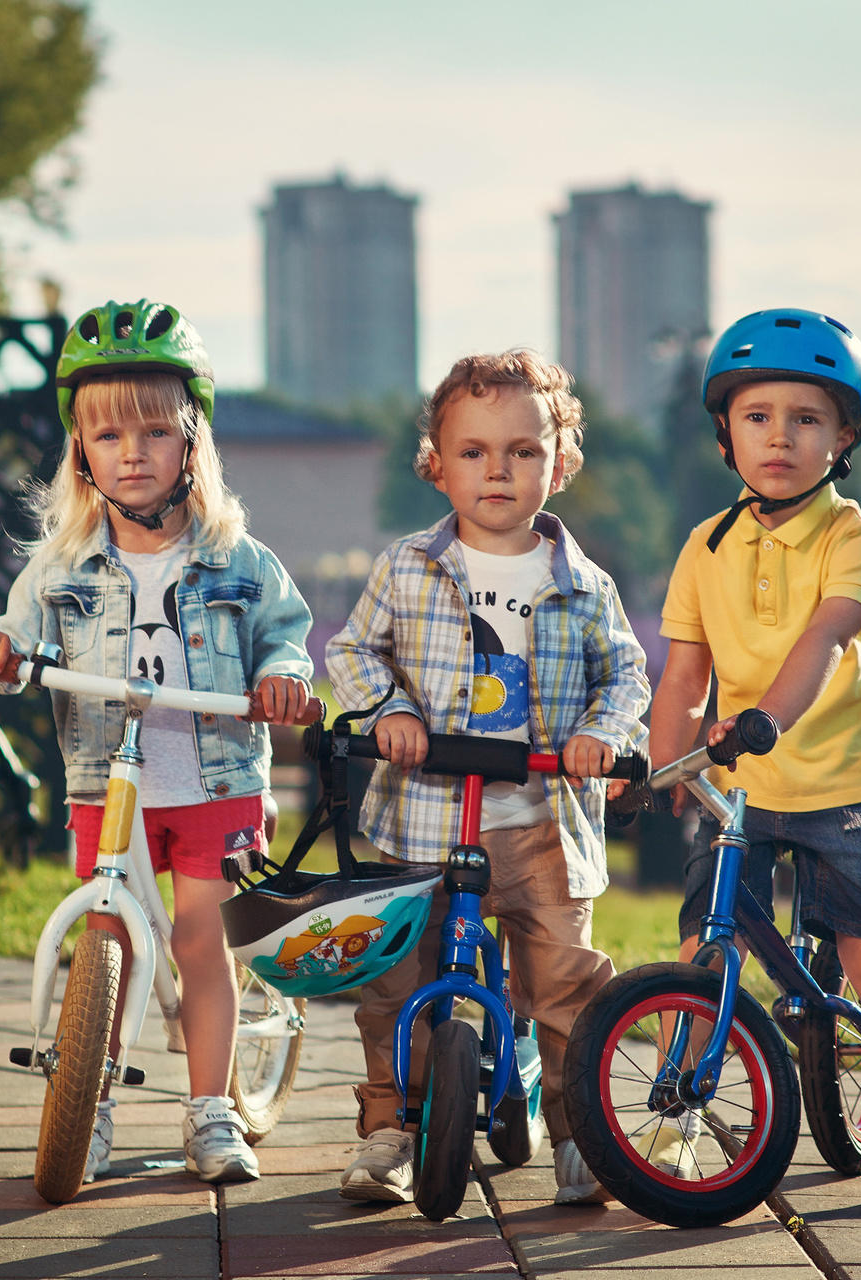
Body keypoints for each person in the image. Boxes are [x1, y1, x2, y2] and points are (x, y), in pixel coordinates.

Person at [0, 299, 315, 1186]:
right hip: (105, 785)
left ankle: (211, 1110)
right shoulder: (60, 563)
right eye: (109, 435)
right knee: (104, 933)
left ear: (193, 442)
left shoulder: (239, 558)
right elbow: (19, 633)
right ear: (81, 450)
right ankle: (92, 1102)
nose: (133, 452)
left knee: (198, 940)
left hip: (214, 782)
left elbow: (285, 636)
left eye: (155, 431)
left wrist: (282, 678)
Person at [650, 307, 861, 1211]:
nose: (780, 437)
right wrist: (661, 771)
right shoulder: (706, 546)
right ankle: (674, 1124)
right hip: (742, 794)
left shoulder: (855, 537)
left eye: (806, 418)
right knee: (700, 952)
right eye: (757, 416)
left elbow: (827, 638)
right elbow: (684, 678)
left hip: (846, 785)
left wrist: (765, 720)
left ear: (844, 436)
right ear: (726, 434)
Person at [326, 349, 650, 1205]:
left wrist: (600, 734)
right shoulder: (409, 565)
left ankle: (582, 1136)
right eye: (473, 451)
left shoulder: (585, 584)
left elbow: (626, 674)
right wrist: (390, 711)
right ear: (437, 465)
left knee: (565, 985)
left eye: (522, 451)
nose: (497, 470)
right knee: (397, 981)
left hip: (542, 823)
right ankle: (392, 1127)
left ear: (560, 463)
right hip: (422, 822)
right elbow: (352, 651)